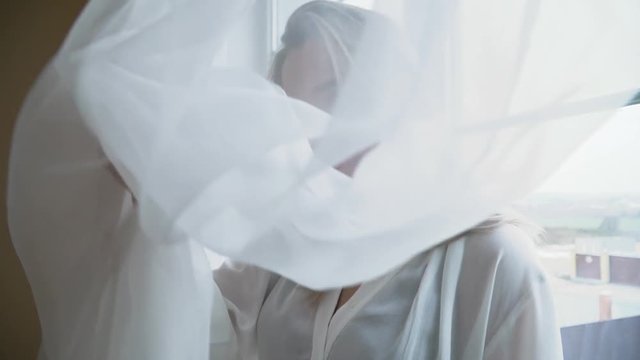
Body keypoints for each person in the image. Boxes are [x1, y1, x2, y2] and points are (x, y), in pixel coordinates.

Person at [212, 2, 563, 359]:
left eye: (336, 92)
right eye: (299, 113)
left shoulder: (493, 260)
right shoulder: (288, 250)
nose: (319, 134)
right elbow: (193, 317)